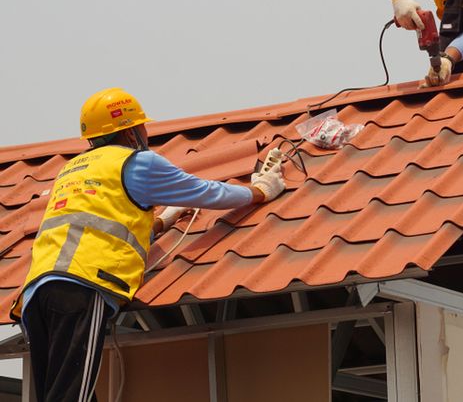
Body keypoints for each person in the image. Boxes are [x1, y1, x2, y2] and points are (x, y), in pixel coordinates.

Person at [10, 87, 286, 402]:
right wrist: (259, 191)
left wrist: (162, 222)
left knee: (61, 393)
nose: (145, 131)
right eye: (142, 125)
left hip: (34, 296)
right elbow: (207, 192)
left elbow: (99, 225)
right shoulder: (136, 162)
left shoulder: (70, 171)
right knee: (72, 397)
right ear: (129, 131)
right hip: (81, 288)